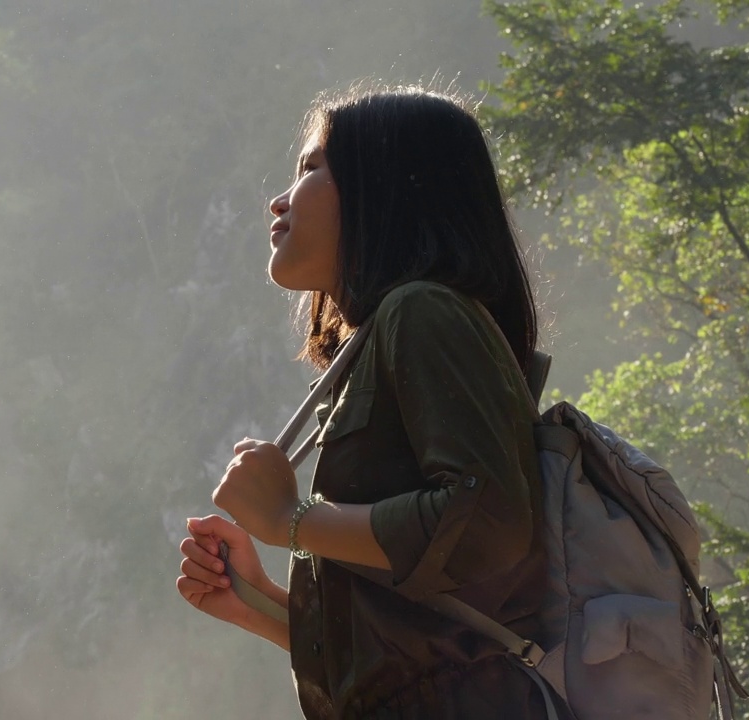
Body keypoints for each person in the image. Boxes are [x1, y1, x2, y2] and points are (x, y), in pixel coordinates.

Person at [176, 86, 556, 719]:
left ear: (383, 185)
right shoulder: (384, 337)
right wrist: (260, 600)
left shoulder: (423, 309)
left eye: (310, 168)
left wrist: (288, 521)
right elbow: (406, 659)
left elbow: (487, 522)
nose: (279, 199)